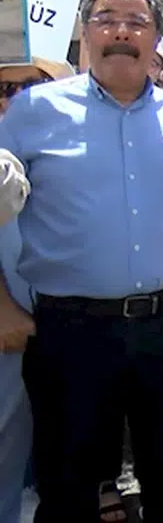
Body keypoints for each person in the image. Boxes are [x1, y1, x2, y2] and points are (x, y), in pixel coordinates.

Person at [4, 0, 163, 522]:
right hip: (69, 333)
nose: (121, 31)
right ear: (84, 33)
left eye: (136, 22)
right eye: (105, 19)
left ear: (155, 40)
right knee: (68, 492)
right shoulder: (32, 111)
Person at [0, 59, 58, 523]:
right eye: (6, 87)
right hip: (8, 328)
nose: (18, 96)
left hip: (61, 326)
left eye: (33, 85)